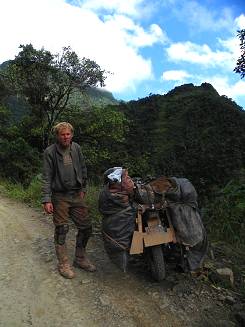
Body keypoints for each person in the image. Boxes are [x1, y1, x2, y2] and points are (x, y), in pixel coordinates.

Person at [42, 122, 96, 279]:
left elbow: (83, 168)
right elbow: (46, 177)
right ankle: (63, 263)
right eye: (62, 134)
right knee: (62, 230)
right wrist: (46, 199)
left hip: (76, 194)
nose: (65, 137)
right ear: (57, 136)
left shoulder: (76, 148)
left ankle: (80, 258)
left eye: (68, 134)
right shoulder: (50, 152)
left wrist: (83, 189)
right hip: (59, 196)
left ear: (72, 135)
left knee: (86, 227)